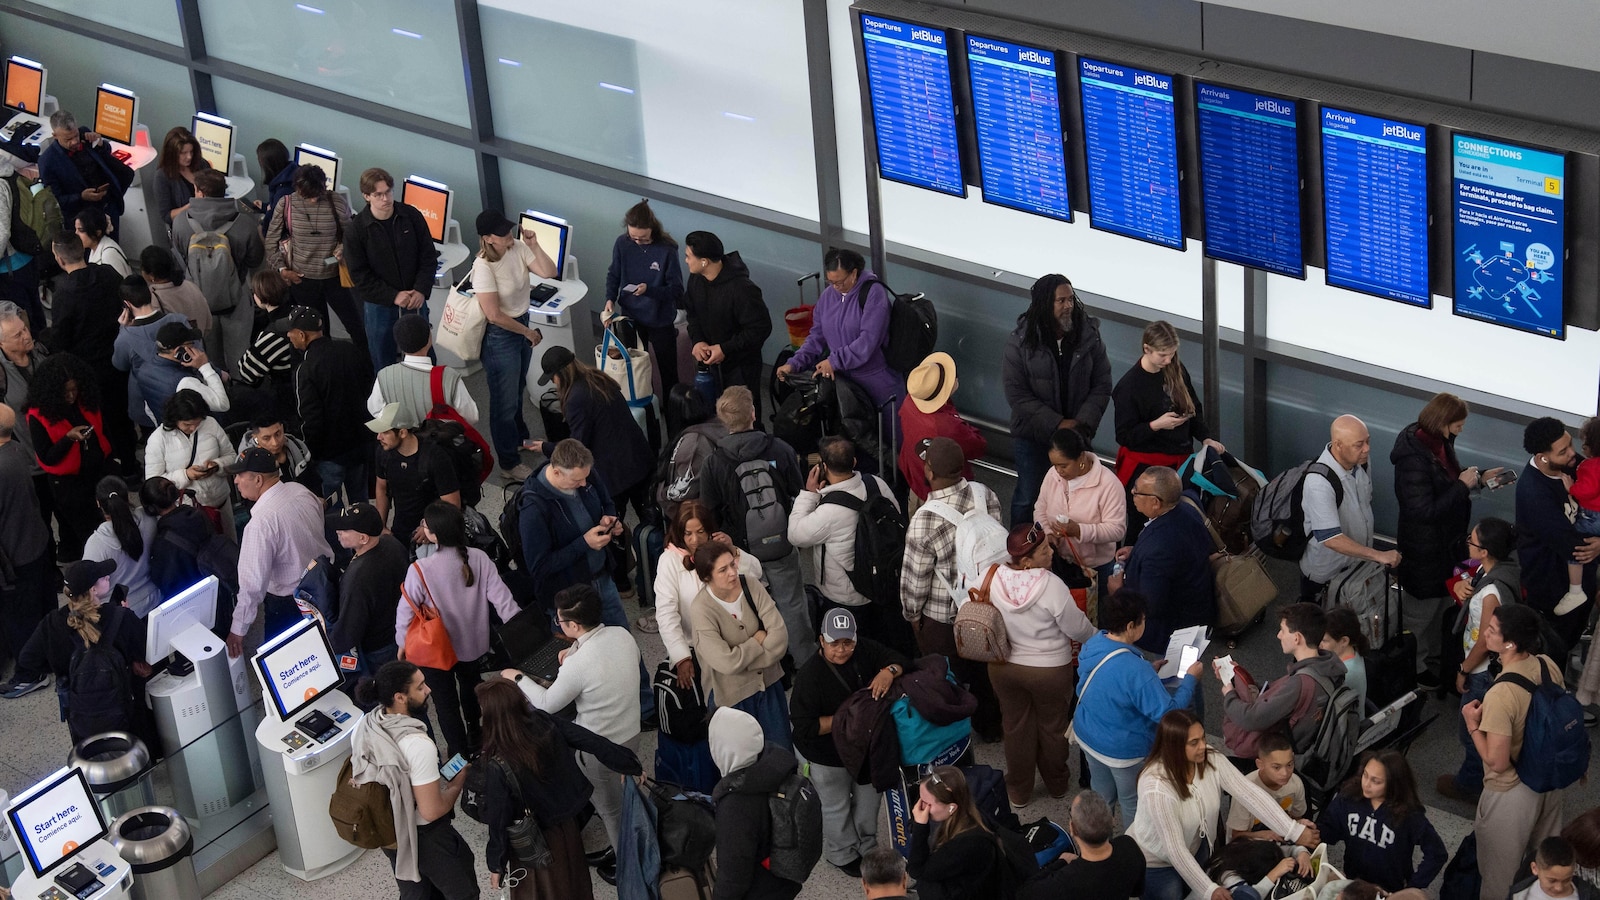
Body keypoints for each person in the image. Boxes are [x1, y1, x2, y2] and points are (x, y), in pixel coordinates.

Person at [506, 585, 643, 883]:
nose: (558, 624)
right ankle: (621, 846)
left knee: (611, 811)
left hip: (600, 748)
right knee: (619, 799)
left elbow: (546, 704)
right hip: (631, 732)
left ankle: (626, 863)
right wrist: (575, 648)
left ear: (573, 625)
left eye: (560, 621)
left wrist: (516, 677)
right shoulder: (621, 634)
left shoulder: (579, 666)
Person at [475, 676, 642, 900]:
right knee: (576, 883)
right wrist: (629, 763)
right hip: (568, 827)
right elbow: (589, 740)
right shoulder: (543, 721)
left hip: (535, 840)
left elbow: (499, 819)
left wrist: (496, 863)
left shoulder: (498, 763)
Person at [1128, 710, 1316, 900]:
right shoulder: (1156, 787)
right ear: (1174, 746)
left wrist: (1293, 831)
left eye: (1203, 737)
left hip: (1195, 846)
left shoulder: (1209, 759)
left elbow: (1248, 793)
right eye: (1194, 742)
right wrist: (1209, 889)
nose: (1204, 746)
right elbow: (1175, 850)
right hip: (1158, 862)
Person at [1392, 392, 1505, 691]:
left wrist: (1478, 478)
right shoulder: (1412, 461)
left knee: (1441, 604)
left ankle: (1431, 656)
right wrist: (1461, 486)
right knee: (1420, 614)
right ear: (1443, 422)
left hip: (1444, 546)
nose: (1462, 430)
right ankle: (1414, 669)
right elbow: (1422, 511)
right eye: (1459, 424)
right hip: (1424, 551)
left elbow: (1446, 479)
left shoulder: (1437, 443)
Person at [899, 435, 1005, 741]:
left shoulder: (924, 520)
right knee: (985, 671)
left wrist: (912, 615)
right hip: (987, 603)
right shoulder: (985, 494)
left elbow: (914, 579)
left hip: (942, 617)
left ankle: (953, 732)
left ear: (929, 472)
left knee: (945, 676)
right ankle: (991, 726)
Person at [697, 385, 811, 669]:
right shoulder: (781, 449)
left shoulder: (714, 462)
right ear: (753, 413)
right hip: (781, 546)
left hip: (739, 551)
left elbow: (709, 511)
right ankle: (806, 664)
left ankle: (771, 664)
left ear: (724, 421)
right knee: (793, 604)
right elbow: (797, 493)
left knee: (751, 607)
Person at [788, 608, 907, 877]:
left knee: (869, 802)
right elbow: (805, 726)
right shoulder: (809, 677)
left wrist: (889, 671)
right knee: (835, 806)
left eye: (847, 642)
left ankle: (867, 846)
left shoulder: (865, 649)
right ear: (821, 640)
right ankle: (841, 854)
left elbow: (899, 658)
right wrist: (850, 717)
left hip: (866, 749)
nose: (841, 650)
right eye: (834, 643)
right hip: (826, 755)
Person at [349, 661, 478, 900]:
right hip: (427, 837)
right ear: (400, 697)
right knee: (463, 891)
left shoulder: (365, 726)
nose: (428, 689)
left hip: (390, 831)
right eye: (420, 687)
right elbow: (431, 810)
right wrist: (457, 783)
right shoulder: (417, 744)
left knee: (416, 893)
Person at [1465, 603, 1568, 900]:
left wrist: (1473, 724)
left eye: (1492, 630)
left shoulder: (1501, 693)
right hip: (1549, 780)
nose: (1486, 632)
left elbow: (1497, 762)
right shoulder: (1547, 664)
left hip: (1512, 792)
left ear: (1509, 643)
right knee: (1542, 859)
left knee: (1499, 874)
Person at [401, 502, 519, 762]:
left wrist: (402, 643)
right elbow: (504, 603)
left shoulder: (419, 570)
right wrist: (525, 634)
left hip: (436, 650)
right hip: (473, 644)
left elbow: (406, 612)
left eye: (424, 525)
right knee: (471, 686)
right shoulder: (478, 558)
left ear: (433, 535)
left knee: (445, 705)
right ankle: (476, 732)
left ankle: (458, 756)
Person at [1073, 590, 1203, 824]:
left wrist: (1148, 671)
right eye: (1143, 620)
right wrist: (1190, 679)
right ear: (1132, 625)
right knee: (1133, 803)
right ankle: (1135, 850)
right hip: (1124, 751)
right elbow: (1169, 713)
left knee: (1101, 797)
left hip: (1088, 735)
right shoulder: (1135, 669)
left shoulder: (1094, 644)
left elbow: (1107, 682)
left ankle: (1099, 848)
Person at [989, 520, 1095, 808]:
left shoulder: (992, 576)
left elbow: (966, 603)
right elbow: (1078, 629)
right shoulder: (1051, 585)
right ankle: (1057, 784)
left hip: (1002, 667)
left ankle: (1019, 792)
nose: (1050, 552)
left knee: (1014, 727)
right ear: (1026, 562)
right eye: (1043, 551)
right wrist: (1098, 638)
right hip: (1049, 670)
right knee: (1052, 727)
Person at [1003, 273, 1112, 525]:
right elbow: (1017, 395)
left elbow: (1102, 383)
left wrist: (1080, 423)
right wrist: (1058, 423)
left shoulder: (1089, 336)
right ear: (1044, 304)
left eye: (1071, 299)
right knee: (1029, 496)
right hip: (1033, 436)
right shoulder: (1020, 342)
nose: (1068, 306)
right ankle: (1021, 549)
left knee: (1078, 496)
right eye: (1061, 301)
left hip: (1077, 434)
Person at [9, 560, 150, 740]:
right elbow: (145, 652)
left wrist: (63, 668)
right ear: (93, 590)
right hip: (126, 710)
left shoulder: (51, 624)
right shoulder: (121, 617)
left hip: (81, 715)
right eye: (103, 577)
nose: (108, 576)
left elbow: (27, 659)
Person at [787, 436, 903, 648]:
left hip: (844, 595)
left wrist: (808, 494)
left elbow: (795, 535)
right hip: (883, 581)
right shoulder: (876, 483)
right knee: (881, 641)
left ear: (823, 466)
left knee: (852, 645)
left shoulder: (828, 512)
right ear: (855, 462)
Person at [1112, 321, 1222, 537]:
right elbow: (1124, 436)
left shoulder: (1176, 370)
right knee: (1141, 527)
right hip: (1146, 468)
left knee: (1177, 525)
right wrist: (1156, 425)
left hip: (1178, 462)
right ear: (1146, 349)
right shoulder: (1129, 386)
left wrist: (1206, 438)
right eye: (1163, 355)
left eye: (1172, 354)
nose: (1169, 360)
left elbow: (1194, 409)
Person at [777, 247, 903, 435]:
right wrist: (794, 364)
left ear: (854, 273)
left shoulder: (874, 294)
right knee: (854, 438)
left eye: (840, 281)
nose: (835, 287)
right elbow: (816, 337)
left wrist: (834, 361)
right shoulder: (828, 296)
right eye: (831, 281)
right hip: (843, 382)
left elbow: (868, 341)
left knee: (889, 434)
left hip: (876, 380)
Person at [471, 210, 555, 481]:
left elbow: (549, 271)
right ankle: (508, 462)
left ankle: (519, 438)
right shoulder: (483, 266)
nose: (509, 234)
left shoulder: (517, 247)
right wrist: (527, 333)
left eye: (509, 230)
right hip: (501, 336)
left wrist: (533, 244)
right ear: (487, 239)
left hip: (521, 325)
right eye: (502, 232)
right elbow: (494, 314)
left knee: (517, 389)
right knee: (503, 403)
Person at [224, 446, 332, 658]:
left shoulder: (260, 524)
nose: (236, 481)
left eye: (239, 475)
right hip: (324, 585)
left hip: (289, 606)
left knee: (286, 665)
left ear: (258, 480)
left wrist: (238, 630)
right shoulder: (300, 491)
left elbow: (252, 586)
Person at [40, 234, 134, 469]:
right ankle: (132, 462)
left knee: (105, 420)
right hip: (121, 358)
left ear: (59, 259)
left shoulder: (64, 294)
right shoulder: (109, 274)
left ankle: (120, 465)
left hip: (90, 370)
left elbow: (61, 338)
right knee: (124, 413)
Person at [533, 345, 653, 527]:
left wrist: (545, 447)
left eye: (553, 378)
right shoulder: (598, 378)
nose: (553, 383)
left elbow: (578, 447)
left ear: (562, 374)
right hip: (638, 458)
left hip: (615, 474)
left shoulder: (575, 398)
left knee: (612, 527)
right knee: (651, 522)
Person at [655, 501, 763, 698]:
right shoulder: (669, 561)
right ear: (680, 533)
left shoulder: (719, 550)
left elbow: (756, 573)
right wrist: (681, 657)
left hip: (736, 644)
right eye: (688, 534)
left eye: (701, 532)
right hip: (697, 648)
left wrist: (733, 550)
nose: (695, 540)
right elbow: (666, 613)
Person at [690, 540, 792, 747]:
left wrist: (742, 661)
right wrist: (756, 642)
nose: (732, 572)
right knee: (744, 765)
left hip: (768, 685)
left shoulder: (751, 584)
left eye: (732, 564)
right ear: (707, 577)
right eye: (723, 570)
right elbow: (726, 663)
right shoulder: (701, 609)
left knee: (781, 753)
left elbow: (780, 637)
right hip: (732, 698)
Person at [1108, 466, 1216, 656]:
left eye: (1137, 491)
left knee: (1175, 680)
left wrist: (1119, 590)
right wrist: (1137, 552)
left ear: (1155, 502)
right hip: (1199, 610)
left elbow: (1151, 605)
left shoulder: (1159, 548)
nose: (1132, 492)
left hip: (1172, 634)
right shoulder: (1187, 507)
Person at [264, 164, 367, 359]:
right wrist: (282, 269)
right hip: (303, 280)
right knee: (319, 335)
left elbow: (350, 234)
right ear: (297, 189)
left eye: (317, 194)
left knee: (357, 326)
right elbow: (271, 241)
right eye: (307, 195)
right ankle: (326, 369)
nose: (313, 199)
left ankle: (368, 371)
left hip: (335, 277)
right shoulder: (286, 204)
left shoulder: (336, 201)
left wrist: (342, 248)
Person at [1221, 603, 1348, 757]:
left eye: (1282, 630)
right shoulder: (1329, 668)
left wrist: (1229, 694)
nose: (1279, 635)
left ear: (1297, 638)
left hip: (1278, 754)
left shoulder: (1299, 683)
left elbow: (1252, 719)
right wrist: (1240, 678)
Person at [342, 167, 439, 369]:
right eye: (378, 194)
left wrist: (421, 289)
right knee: (382, 359)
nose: (385, 199)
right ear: (366, 196)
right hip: (380, 305)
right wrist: (393, 296)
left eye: (388, 192)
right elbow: (359, 276)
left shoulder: (411, 216)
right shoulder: (357, 230)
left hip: (415, 300)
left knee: (426, 357)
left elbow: (428, 257)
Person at [707, 706, 805, 900]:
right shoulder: (777, 768)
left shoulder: (735, 804)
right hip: (785, 879)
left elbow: (734, 876)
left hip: (758, 891)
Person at [1518, 417, 1599, 649]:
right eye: (1564, 451)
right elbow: (1576, 548)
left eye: (1571, 444)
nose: (1573, 454)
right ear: (1543, 457)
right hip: (1553, 591)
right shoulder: (1534, 495)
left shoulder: (1570, 464)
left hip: (1581, 583)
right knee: (1554, 651)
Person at [171, 168, 264, 372]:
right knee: (239, 354)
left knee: (207, 355)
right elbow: (255, 259)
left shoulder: (180, 222)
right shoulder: (245, 223)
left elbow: (180, 257)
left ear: (200, 192)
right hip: (236, 298)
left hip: (197, 300)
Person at [1316, 750, 1446, 893]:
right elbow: (1330, 831)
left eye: (1376, 781)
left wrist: (1411, 888)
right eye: (1365, 775)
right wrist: (1309, 831)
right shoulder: (1348, 798)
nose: (1366, 784)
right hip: (1353, 883)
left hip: (1390, 889)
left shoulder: (1409, 815)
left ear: (1393, 783)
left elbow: (1437, 853)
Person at [1301, 415, 1398, 601]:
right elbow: (1331, 539)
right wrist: (1378, 555)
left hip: (1356, 566)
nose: (1367, 449)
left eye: (1368, 441)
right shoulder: (1319, 483)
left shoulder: (1360, 463)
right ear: (1338, 445)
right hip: (1327, 574)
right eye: (1359, 444)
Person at [26, 353, 111, 559]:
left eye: (74, 390)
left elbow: (103, 431)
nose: (72, 396)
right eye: (66, 393)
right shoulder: (38, 415)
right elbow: (47, 458)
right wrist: (68, 439)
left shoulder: (86, 400)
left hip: (99, 473)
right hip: (70, 486)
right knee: (90, 534)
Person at [288, 306, 375, 503]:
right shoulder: (350, 350)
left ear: (301, 335)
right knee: (360, 504)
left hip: (329, 455)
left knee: (329, 509)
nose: (288, 336)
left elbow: (310, 418)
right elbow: (370, 392)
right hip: (360, 445)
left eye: (291, 332)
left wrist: (312, 454)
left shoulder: (306, 369)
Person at [681, 231, 771, 421]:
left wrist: (724, 348)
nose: (686, 260)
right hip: (712, 363)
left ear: (704, 261)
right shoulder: (696, 279)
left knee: (743, 417)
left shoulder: (742, 289)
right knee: (715, 415)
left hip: (741, 367)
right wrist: (698, 341)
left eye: (689, 256)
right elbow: (693, 314)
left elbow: (760, 328)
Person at [0, 403, 56, 697]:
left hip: (14, 557)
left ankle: (29, 674)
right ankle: (50, 656)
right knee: (43, 606)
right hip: (35, 543)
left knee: (20, 618)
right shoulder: (18, 451)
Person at [906, 765, 1023, 900]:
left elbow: (916, 870)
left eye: (927, 803)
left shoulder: (963, 845)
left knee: (926, 885)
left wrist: (920, 826)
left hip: (975, 893)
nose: (919, 807)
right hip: (978, 884)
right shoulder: (971, 814)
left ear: (951, 808)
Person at [323, 503, 407, 690]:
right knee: (404, 691)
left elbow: (349, 631)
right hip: (399, 634)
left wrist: (325, 646)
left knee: (387, 697)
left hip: (377, 649)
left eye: (344, 529)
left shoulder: (358, 577)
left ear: (362, 538)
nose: (338, 532)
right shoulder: (391, 543)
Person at [603, 199, 684, 392]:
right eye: (634, 237)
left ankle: (673, 415)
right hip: (631, 316)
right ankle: (647, 408)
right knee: (636, 370)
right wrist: (610, 298)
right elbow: (614, 273)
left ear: (652, 230)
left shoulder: (667, 249)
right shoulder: (622, 244)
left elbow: (677, 290)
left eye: (643, 238)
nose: (638, 241)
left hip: (660, 318)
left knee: (668, 372)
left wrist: (649, 290)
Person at [1034, 425, 1126, 592]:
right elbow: (1040, 508)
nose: (1058, 471)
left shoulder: (1109, 485)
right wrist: (1047, 533)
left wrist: (1079, 531)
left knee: (1096, 614)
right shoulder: (1052, 475)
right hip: (1060, 561)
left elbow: (1117, 530)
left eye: (1064, 465)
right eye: (1054, 465)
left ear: (1081, 458)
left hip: (1095, 567)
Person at [1018, 791, 1146, 900]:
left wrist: (1061, 862)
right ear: (1112, 821)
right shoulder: (1129, 846)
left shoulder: (1063, 881)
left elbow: (1024, 893)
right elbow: (1136, 890)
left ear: (1072, 829)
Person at [898, 352, 987, 506]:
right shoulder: (947, 426)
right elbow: (978, 446)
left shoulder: (910, 402)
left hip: (917, 482)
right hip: (947, 496)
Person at [144, 390, 234, 538]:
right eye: (187, 424)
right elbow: (153, 484)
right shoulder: (158, 440)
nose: (193, 428)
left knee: (228, 543)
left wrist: (217, 465)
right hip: (190, 511)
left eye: (197, 424)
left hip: (220, 500)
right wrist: (186, 475)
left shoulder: (210, 424)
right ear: (174, 419)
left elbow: (231, 455)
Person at [368, 402, 460, 545]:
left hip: (432, 535)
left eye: (385, 432)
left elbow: (452, 502)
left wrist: (428, 527)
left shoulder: (435, 457)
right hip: (400, 530)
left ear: (403, 432)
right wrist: (381, 525)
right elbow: (382, 487)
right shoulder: (383, 453)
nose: (379, 437)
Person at [368, 314, 478, 426]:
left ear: (398, 342)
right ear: (429, 339)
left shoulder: (384, 376)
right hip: (442, 442)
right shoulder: (448, 377)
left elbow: (375, 409)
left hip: (404, 441)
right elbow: (471, 416)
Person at [111, 275, 188, 428]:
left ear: (127, 304)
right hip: (184, 393)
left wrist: (122, 329)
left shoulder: (126, 337)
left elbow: (119, 364)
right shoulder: (178, 320)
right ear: (150, 294)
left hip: (147, 403)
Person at [38, 110, 133, 234]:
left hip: (109, 205)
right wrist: (81, 197)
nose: (74, 141)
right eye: (68, 139)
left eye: (76, 135)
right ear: (55, 135)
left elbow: (106, 152)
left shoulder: (85, 134)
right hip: (83, 219)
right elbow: (56, 201)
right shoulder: (47, 162)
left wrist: (99, 143)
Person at [231, 270, 299, 429]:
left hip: (288, 400)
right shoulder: (300, 313)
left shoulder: (272, 335)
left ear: (259, 298)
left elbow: (247, 373)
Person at [132, 321, 231, 427]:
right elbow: (222, 404)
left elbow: (148, 409)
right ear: (178, 351)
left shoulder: (143, 370)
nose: (195, 349)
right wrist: (204, 366)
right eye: (191, 345)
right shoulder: (184, 381)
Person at [655, 384, 728, 522]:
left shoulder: (694, 445)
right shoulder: (719, 423)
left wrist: (661, 494)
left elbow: (684, 492)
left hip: (699, 517)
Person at [139, 476, 217, 600]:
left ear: (151, 509)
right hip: (218, 584)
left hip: (196, 599)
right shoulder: (197, 513)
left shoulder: (163, 543)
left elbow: (166, 583)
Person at [1224, 734, 1307, 841]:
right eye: (1276, 767)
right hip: (1249, 844)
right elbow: (1236, 835)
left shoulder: (1296, 783)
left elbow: (1297, 817)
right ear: (1260, 764)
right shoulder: (1244, 790)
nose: (1285, 773)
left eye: (1289, 765)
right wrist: (1261, 835)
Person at [0, 151, 43, 331]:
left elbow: (2, 234)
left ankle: (37, 355)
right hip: (24, 257)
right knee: (34, 311)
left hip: (11, 269)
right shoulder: (9, 172)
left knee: (22, 322)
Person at [140, 245, 212, 351]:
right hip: (199, 349)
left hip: (175, 358)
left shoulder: (153, 299)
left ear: (151, 275)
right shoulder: (191, 286)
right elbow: (208, 324)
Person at [235, 413, 318, 495]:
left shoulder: (299, 447)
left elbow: (314, 480)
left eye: (278, 434)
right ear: (255, 437)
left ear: (282, 428)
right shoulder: (247, 462)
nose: (275, 443)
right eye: (266, 438)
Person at [150, 126, 209, 224]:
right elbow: (167, 216)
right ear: (172, 153)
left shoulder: (201, 164)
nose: (189, 157)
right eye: (183, 153)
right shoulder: (162, 177)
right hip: (186, 226)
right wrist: (193, 204)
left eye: (191, 151)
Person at [1513, 836, 1600, 900]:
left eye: (1567, 880)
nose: (1559, 888)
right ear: (1535, 868)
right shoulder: (1518, 894)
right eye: (1552, 880)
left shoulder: (1590, 895)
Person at [1321, 605, 1370, 713]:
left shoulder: (1346, 673)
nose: (1320, 645)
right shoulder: (1354, 652)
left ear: (1344, 641)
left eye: (1324, 641)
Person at [253, 139, 297, 232]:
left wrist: (267, 214)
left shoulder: (283, 192)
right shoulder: (292, 175)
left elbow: (270, 228)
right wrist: (266, 207)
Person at [73, 208, 129, 276]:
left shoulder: (108, 255)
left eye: (81, 230)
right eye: (76, 229)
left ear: (97, 232)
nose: (76, 234)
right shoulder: (94, 248)